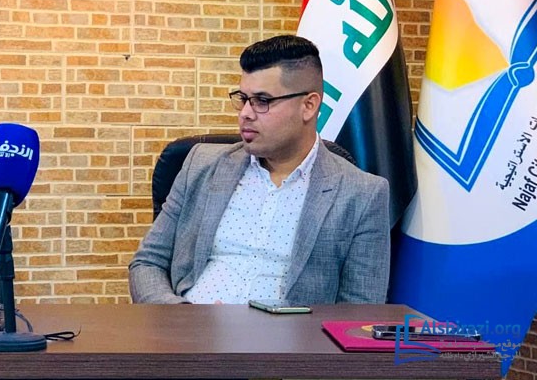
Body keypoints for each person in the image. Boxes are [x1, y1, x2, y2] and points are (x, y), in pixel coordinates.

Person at [129, 35, 390, 305]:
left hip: (292, 332)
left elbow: (360, 310)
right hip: (191, 326)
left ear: (308, 106)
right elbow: (148, 262)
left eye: (262, 100)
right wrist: (181, 315)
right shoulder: (200, 165)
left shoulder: (362, 194)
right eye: (243, 98)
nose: (245, 113)